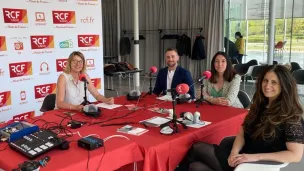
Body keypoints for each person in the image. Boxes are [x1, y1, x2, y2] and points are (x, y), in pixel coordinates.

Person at [178, 65, 304, 171]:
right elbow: (243, 131)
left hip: (254, 164)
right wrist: (234, 152)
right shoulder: (260, 105)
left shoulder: (292, 116)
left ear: (284, 86)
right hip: (240, 154)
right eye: (265, 80)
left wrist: (254, 158)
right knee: (195, 164)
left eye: (274, 82)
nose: (267, 85)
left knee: (196, 153)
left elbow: (295, 155)